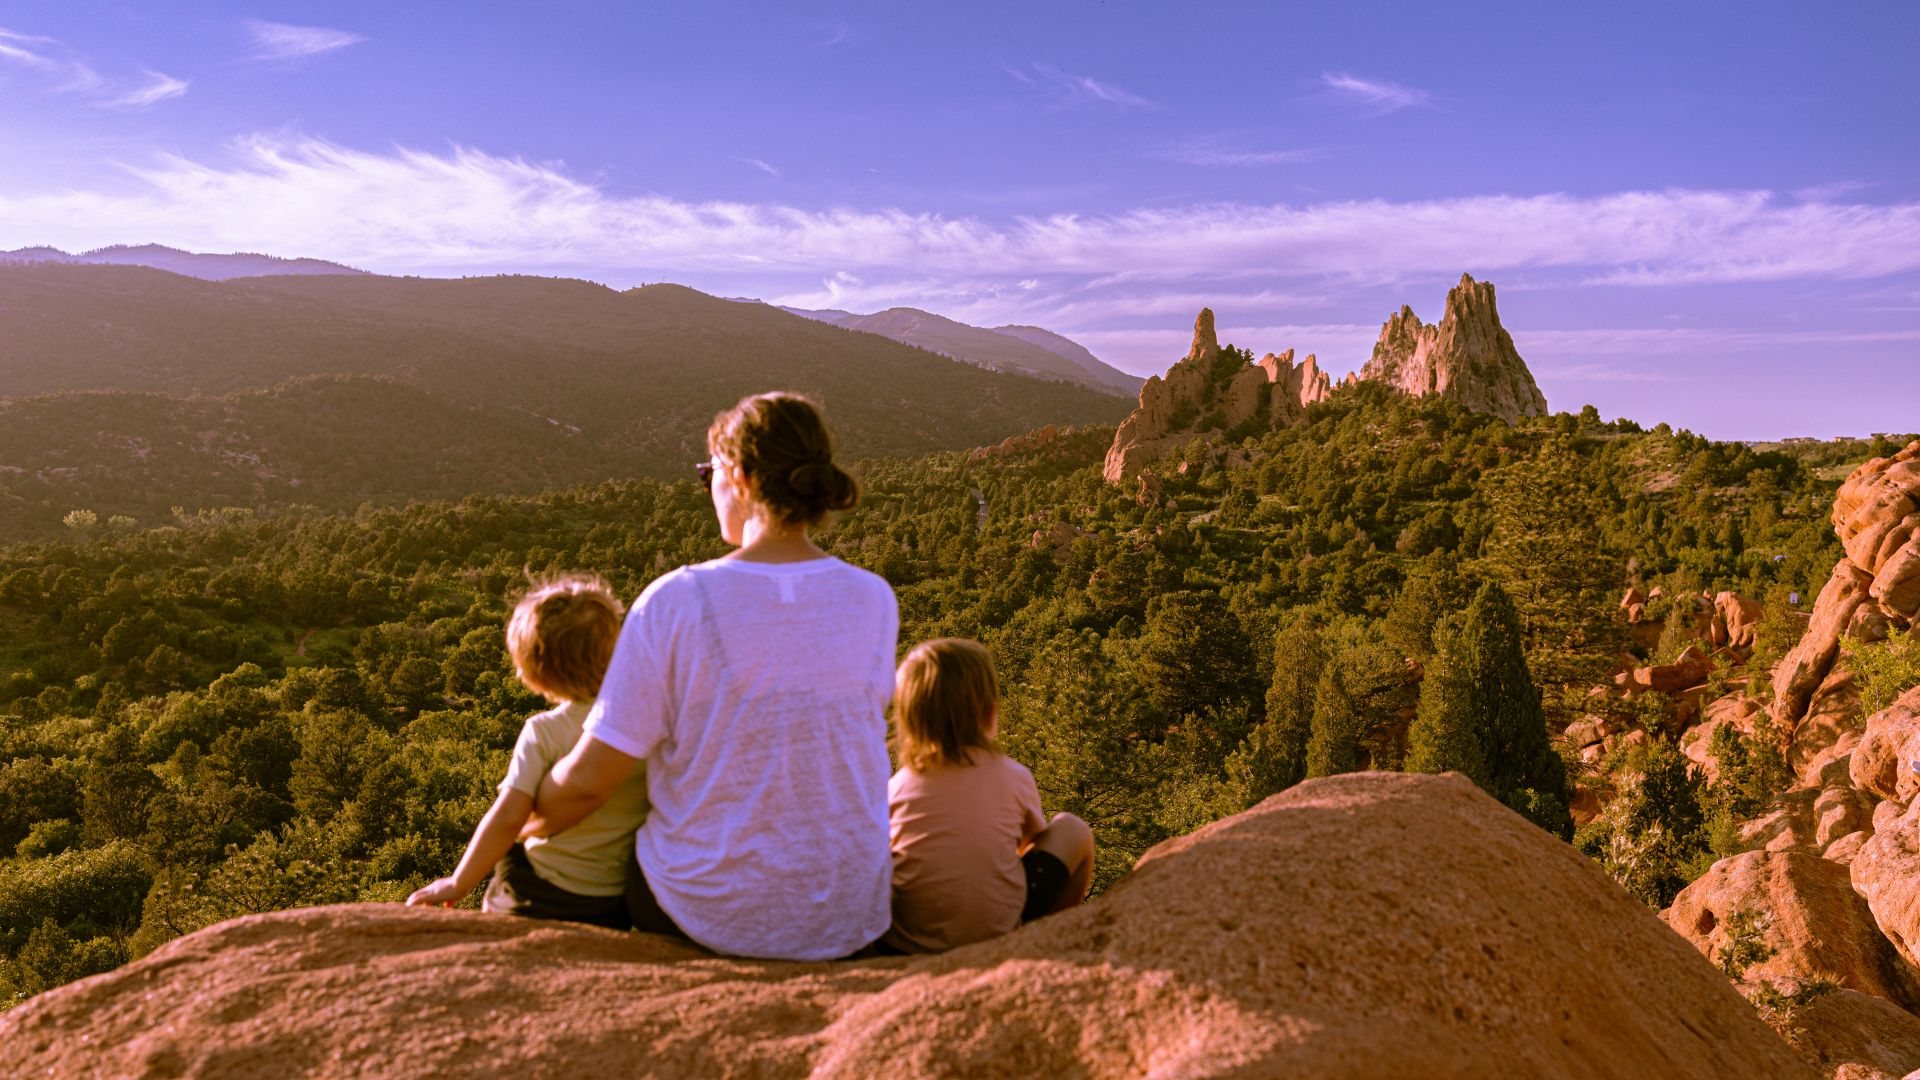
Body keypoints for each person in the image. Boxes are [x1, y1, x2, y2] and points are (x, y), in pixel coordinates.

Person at [529, 391, 897, 961]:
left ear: (742, 479)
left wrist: (521, 820)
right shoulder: (874, 597)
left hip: (704, 910)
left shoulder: (677, 599)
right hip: (851, 910)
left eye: (710, 474)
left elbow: (589, 781)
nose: (708, 490)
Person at [406, 575, 646, 930]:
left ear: (535, 674)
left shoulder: (543, 732)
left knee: (514, 853)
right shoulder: (646, 722)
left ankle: (496, 920)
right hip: (613, 902)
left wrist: (457, 882)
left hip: (541, 894)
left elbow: (507, 819)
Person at [880, 637, 1094, 954]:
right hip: (997, 935)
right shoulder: (1014, 776)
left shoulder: (897, 787)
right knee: (1073, 829)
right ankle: (1050, 935)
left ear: (909, 721)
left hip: (907, 946)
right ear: (989, 712)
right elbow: (1029, 845)